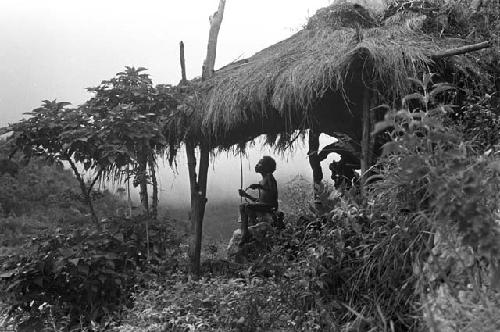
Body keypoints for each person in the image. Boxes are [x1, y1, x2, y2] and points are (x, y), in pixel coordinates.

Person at [238, 156, 278, 245]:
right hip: (265, 205)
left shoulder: (269, 177)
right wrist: (246, 195)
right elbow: (260, 200)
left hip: (271, 206)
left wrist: (259, 186)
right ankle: (245, 231)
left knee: (247, 207)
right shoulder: (262, 181)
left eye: (260, 163)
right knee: (243, 206)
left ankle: (246, 233)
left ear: (266, 167)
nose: (257, 165)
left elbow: (273, 191)